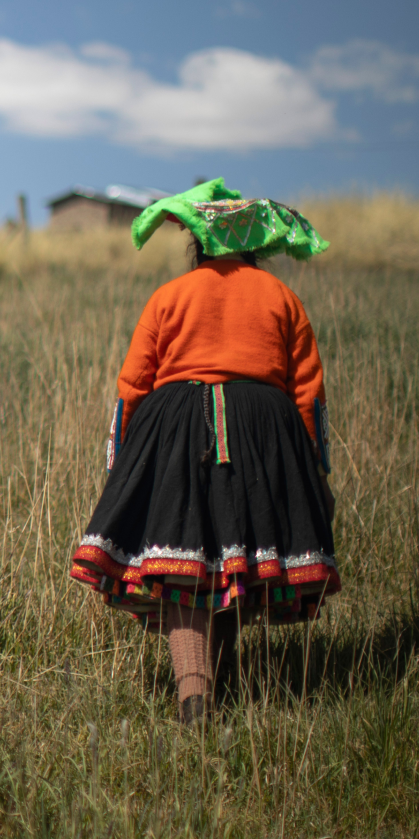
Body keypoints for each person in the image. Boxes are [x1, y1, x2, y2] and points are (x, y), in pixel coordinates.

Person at [70, 179, 339, 724]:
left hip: (177, 430)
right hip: (265, 431)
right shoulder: (282, 298)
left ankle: (196, 694)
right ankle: (222, 674)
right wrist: (312, 466)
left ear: (198, 242)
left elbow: (132, 386)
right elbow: (308, 390)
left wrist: (122, 464)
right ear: (251, 244)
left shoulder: (170, 296)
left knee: (183, 562)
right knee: (238, 555)